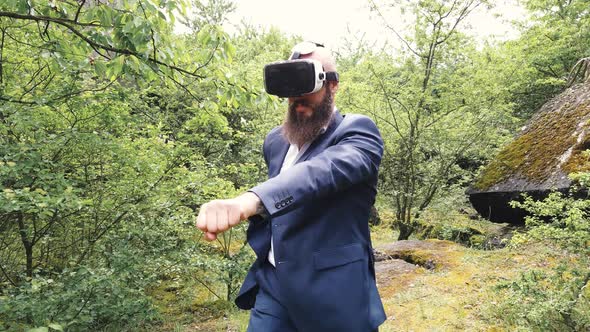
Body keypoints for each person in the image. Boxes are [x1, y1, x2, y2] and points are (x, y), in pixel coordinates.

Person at [196, 41, 386, 332]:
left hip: (333, 292)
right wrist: (256, 215)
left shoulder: (358, 132)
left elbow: (318, 174)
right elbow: (285, 200)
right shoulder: (275, 141)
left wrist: (250, 201)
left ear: (332, 86)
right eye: (290, 89)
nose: (297, 98)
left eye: (306, 86)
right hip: (275, 285)